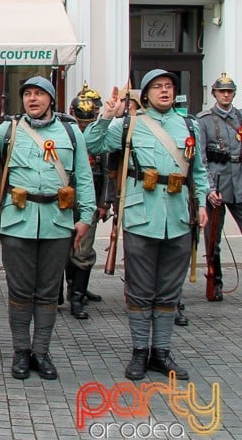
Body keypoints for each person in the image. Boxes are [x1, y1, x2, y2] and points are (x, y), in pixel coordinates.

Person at [0, 77, 95, 381]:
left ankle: (42, 352)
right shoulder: (9, 129)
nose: (32, 99)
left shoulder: (70, 131)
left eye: (39, 94)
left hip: (57, 222)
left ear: (51, 99)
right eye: (28, 94)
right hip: (17, 223)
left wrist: (85, 217)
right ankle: (21, 352)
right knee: (20, 292)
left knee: (49, 293)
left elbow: (84, 178)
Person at [84, 70, 210, 381]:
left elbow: (199, 170)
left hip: (179, 217)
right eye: (157, 87)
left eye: (168, 86)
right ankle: (140, 352)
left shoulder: (189, 124)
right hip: (141, 216)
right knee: (140, 290)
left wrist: (203, 203)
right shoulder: (130, 124)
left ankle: (162, 352)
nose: (164, 91)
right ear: (146, 94)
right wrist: (105, 116)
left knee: (169, 291)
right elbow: (92, 144)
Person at [196, 72, 242, 302]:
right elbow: (200, 158)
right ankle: (215, 282)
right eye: (222, 91)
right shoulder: (203, 120)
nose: (226, 95)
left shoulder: (240, 118)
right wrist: (208, 188)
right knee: (213, 240)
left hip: (240, 183)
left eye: (229, 91)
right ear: (214, 93)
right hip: (218, 183)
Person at [65, 84, 108, 320]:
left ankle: (77, 297)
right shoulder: (63, 129)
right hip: (64, 198)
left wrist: (104, 202)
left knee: (83, 250)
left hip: (89, 200)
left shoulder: (100, 132)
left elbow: (107, 172)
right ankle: (67, 289)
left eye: (87, 121)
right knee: (63, 249)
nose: (83, 125)